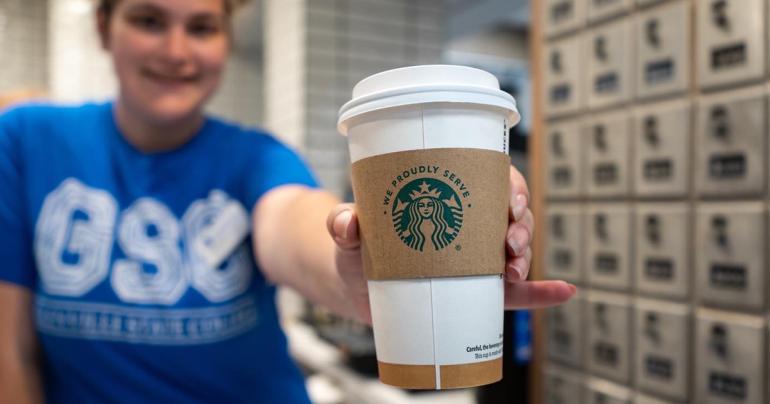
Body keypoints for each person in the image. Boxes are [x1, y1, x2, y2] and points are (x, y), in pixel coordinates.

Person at [0, 0, 576, 403]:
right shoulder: (26, 140)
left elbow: (298, 227)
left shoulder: (255, 158)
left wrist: (360, 263)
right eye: (149, 20)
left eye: (202, 27)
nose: (176, 51)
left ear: (226, 40)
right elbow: (9, 347)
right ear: (104, 27)